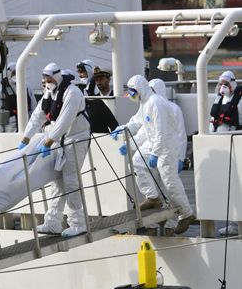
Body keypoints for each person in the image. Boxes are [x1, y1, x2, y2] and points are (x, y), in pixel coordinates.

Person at [111, 75, 194, 234]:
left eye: (132, 92)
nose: (131, 95)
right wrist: (123, 130)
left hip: (166, 146)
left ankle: (186, 214)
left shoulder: (156, 103)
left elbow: (162, 132)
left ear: (140, 90)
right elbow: (137, 124)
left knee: (170, 183)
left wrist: (156, 154)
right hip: (154, 143)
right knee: (136, 162)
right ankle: (153, 198)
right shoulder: (145, 103)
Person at [18, 63, 90, 237]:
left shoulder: (72, 93)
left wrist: (49, 142)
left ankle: (78, 223)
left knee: (71, 181)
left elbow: (65, 120)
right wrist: (26, 138)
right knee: (57, 182)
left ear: (56, 77)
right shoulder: (51, 93)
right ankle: (53, 222)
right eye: (44, 80)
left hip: (76, 139)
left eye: (49, 80)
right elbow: (38, 115)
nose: (46, 83)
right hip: (59, 141)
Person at [208, 71, 241, 236]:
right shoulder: (218, 99)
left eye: (226, 84)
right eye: (221, 84)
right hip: (219, 147)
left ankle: (237, 224)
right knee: (227, 187)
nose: (223, 87)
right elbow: (212, 119)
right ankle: (234, 223)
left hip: (234, 145)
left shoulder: (239, 101)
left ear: (232, 84)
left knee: (237, 185)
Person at [0, 61, 37, 132]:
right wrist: (0, 133)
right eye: (14, 73)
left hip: (26, 126)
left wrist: (34, 126)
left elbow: (34, 107)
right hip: (10, 129)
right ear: (8, 73)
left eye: (17, 73)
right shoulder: (0, 91)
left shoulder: (26, 87)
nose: (16, 75)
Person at [85, 66, 119, 133]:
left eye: (101, 79)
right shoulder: (94, 99)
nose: (98, 82)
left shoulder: (116, 96)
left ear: (109, 79)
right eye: (96, 80)